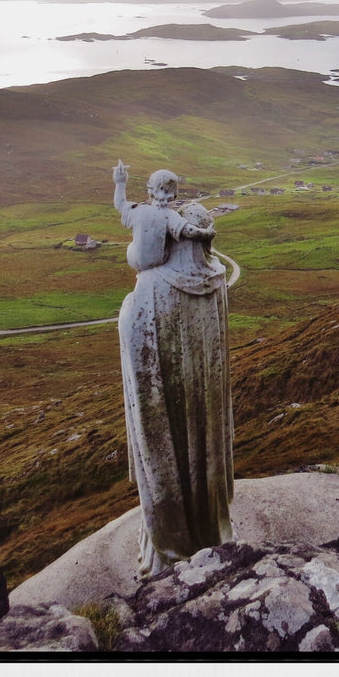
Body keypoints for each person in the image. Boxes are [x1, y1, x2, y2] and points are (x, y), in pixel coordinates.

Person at [112, 161, 234, 577]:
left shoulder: (151, 287)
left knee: (165, 446)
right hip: (204, 416)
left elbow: (139, 358)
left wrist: (127, 312)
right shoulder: (217, 281)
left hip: (167, 411)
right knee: (202, 444)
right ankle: (210, 527)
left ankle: (169, 541)